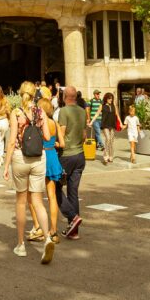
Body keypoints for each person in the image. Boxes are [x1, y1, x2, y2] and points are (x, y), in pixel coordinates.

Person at [3, 81, 55, 264]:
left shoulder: (16, 113)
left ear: (20, 93)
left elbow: (11, 141)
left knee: (20, 201)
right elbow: (48, 137)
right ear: (35, 95)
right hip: (38, 158)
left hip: (20, 157)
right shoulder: (40, 112)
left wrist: (6, 164)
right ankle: (47, 238)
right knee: (38, 202)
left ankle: (21, 245)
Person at [56, 84, 88, 240]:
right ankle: (73, 231)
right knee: (73, 192)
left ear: (65, 97)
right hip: (80, 155)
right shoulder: (82, 111)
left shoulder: (63, 111)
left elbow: (61, 134)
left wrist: (54, 143)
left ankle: (72, 216)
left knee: (55, 187)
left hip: (66, 155)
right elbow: (83, 136)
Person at [40, 97, 62, 244]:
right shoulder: (55, 123)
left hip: (42, 157)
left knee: (35, 196)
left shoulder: (40, 123)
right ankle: (54, 230)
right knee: (52, 196)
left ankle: (40, 228)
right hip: (53, 156)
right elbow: (63, 143)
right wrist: (54, 144)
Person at [91, 91, 121, 164]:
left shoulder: (114, 105)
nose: (111, 100)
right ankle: (105, 156)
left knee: (111, 141)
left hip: (112, 125)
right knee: (107, 138)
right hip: (105, 125)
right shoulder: (102, 105)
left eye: (112, 98)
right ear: (106, 99)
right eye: (109, 98)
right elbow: (97, 114)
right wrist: (91, 122)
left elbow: (117, 115)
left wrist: (121, 123)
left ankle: (111, 155)